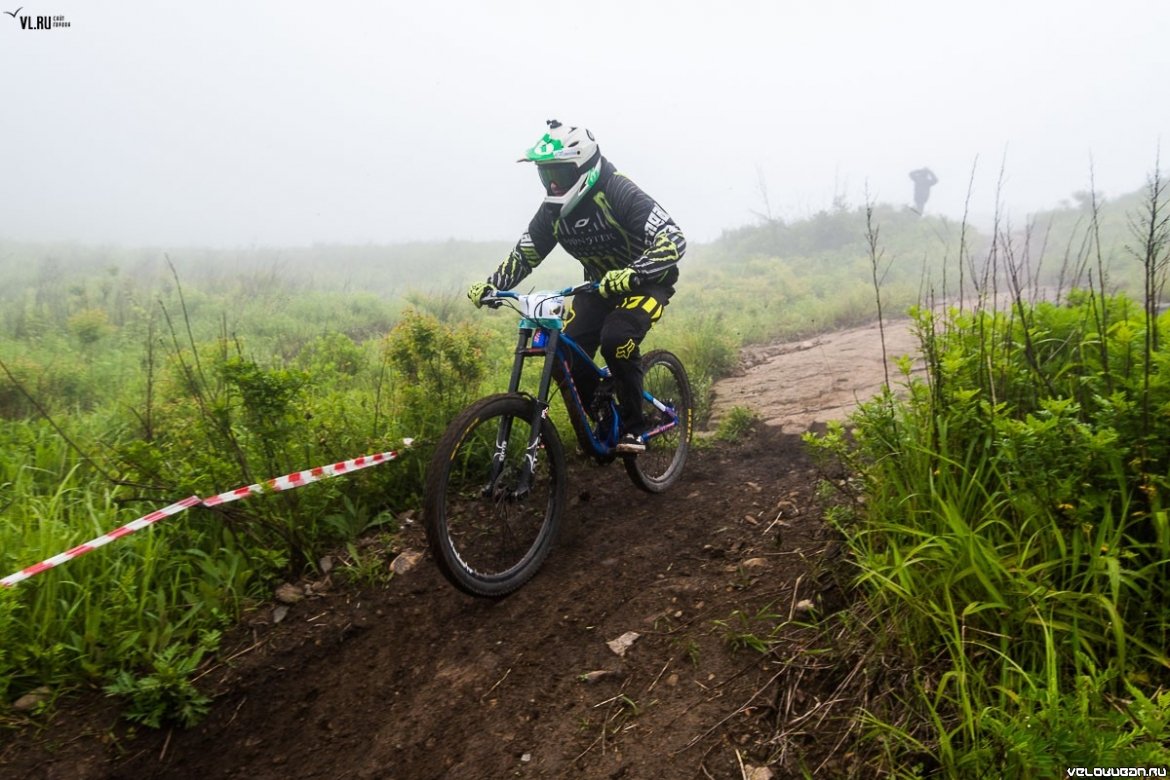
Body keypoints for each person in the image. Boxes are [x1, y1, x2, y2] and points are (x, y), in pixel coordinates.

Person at [467, 120, 686, 453]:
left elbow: (674, 239)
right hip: (598, 289)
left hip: (647, 284)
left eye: (561, 174)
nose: (553, 184)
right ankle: (601, 411)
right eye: (546, 175)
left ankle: (635, 426)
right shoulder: (552, 212)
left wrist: (634, 272)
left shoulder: (618, 191)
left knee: (617, 339)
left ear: (584, 166)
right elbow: (525, 255)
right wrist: (492, 286)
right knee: (562, 355)